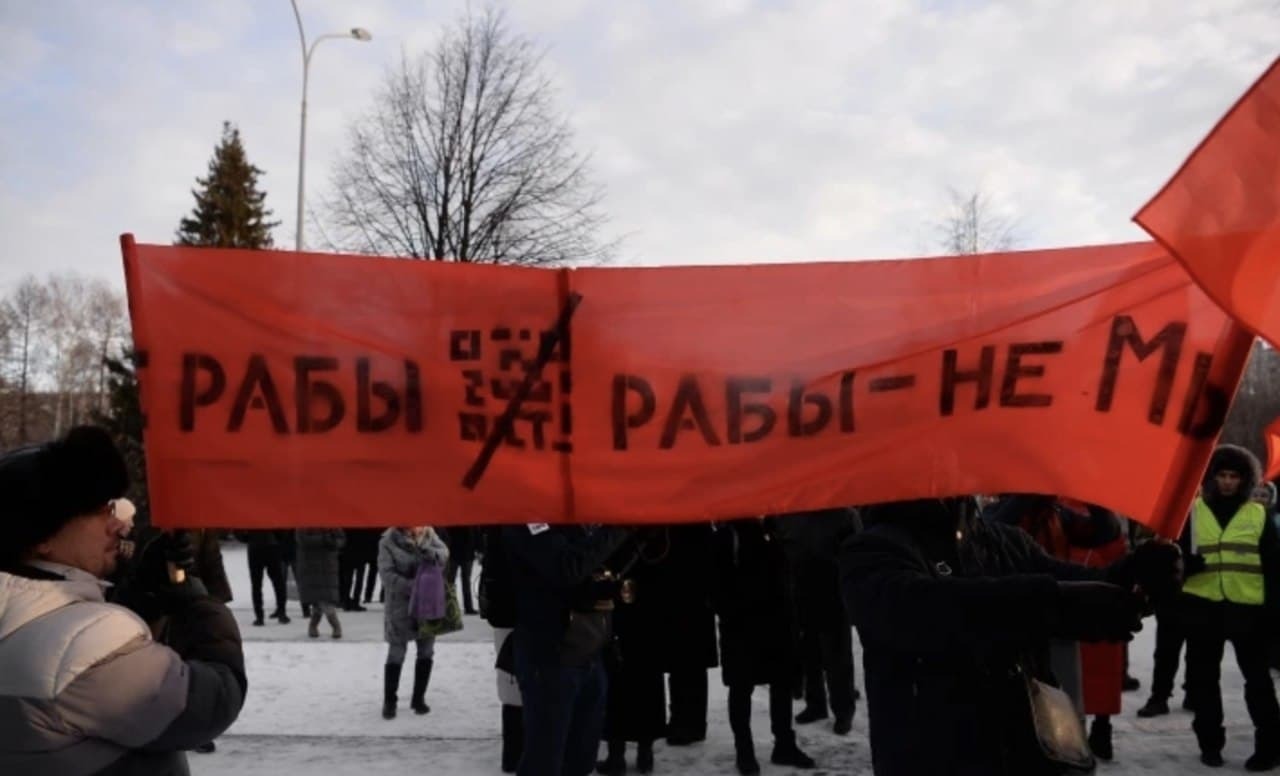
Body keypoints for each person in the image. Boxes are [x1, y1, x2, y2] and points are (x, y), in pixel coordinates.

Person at [840, 497, 1181, 775]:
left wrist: (1135, 573)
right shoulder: (871, 548)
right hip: (934, 756)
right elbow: (926, 610)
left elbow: (1079, 583)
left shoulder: (1000, 540)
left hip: (1021, 750)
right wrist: (1051, 602)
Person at [0, 425, 246, 775]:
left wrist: (142, 593)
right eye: (100, 512)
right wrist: (201, 609)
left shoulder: (21, 619)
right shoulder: (85, 644)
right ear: (42, 536)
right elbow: (210, 701)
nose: (118, 525)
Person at [503, 522, 630, 776]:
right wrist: (618, 527)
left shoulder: (578, 520)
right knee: (545, 760)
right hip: (550, 657)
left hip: (588, 651)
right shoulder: (528, 521)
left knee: (581, 760)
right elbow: (567, 567)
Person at [1181, 445, 1280, 769]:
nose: (1226, 482)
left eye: (1233, 476)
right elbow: (1170, 560)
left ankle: (1269, 746)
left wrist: (1272, 611)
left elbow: (1274, 566)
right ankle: (1210, 743)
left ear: (1244, 479)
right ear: (1211, 477)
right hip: (1203, 607)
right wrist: (1185, 566)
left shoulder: (1259, 515)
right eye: (1221, 475)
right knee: (1204, 681)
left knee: (1258, 682)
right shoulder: (1192, 512)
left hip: (1247, 610)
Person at [712, 517, 815, 775]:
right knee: (741, 687)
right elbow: (715, 585)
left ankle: (784, 744)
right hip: (742, 627)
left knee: (780, 684)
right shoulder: (729, 535)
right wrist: (732, 612)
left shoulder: (773, 529)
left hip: (777, 624)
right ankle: (744, 751)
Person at [779, 507, 861, 735]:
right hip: (800, 589)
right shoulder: (788, 515)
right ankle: (815, 704)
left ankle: (843, 710)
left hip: (832, 590)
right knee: (809, 653)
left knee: (837, 656)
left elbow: (856, 550)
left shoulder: (842, 514)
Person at [597, 531, 667, 775]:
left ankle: (618, 754)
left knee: (619, 683)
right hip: (650, 617)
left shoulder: (620, 531)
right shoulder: (659, 535)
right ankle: (643, 752)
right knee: (644, 682)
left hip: (624, 617)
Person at [377, 525, 449, 719]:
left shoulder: (429, 534)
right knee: (396, 653)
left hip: (427, 605)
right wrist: (414, 587)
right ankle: (390, 701)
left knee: (426, 651)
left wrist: (430, 552)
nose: (416, 525)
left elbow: (444, 554)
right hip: (401, 607)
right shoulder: (388, 541)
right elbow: (386, 575)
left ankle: (419, 699)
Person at [480, 526, 524, 773]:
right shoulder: (507, 533)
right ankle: (514, 755)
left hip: (507, 616)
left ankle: (514, 754)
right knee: (514, 686)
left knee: (512, 686)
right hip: (512, 616)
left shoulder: (498, 532)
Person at [296, 528, 345, 639]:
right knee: (319, 601)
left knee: (325, 600)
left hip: (328, 565)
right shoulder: (303, 522)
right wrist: (324, 539)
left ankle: (316, 626)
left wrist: (331, 541)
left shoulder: (331, 522)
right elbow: (302, 540)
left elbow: (340, 540)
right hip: (310, 566)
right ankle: (333, 626)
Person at [243, 529, 290, 626]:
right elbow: (283, 530)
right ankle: (281, 612)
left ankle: (259, 616)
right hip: (271, 546)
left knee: (257, 585)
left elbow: (238, 530)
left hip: (255, 547)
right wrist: (279, 538)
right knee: (278, 583)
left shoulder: (249, 515)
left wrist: (248, 538)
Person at [443, 526, 479, 615]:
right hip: (464, 552)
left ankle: (449, 606)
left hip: (456, 552)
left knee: (451, 581)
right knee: (463, 581)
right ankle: (467, 607)